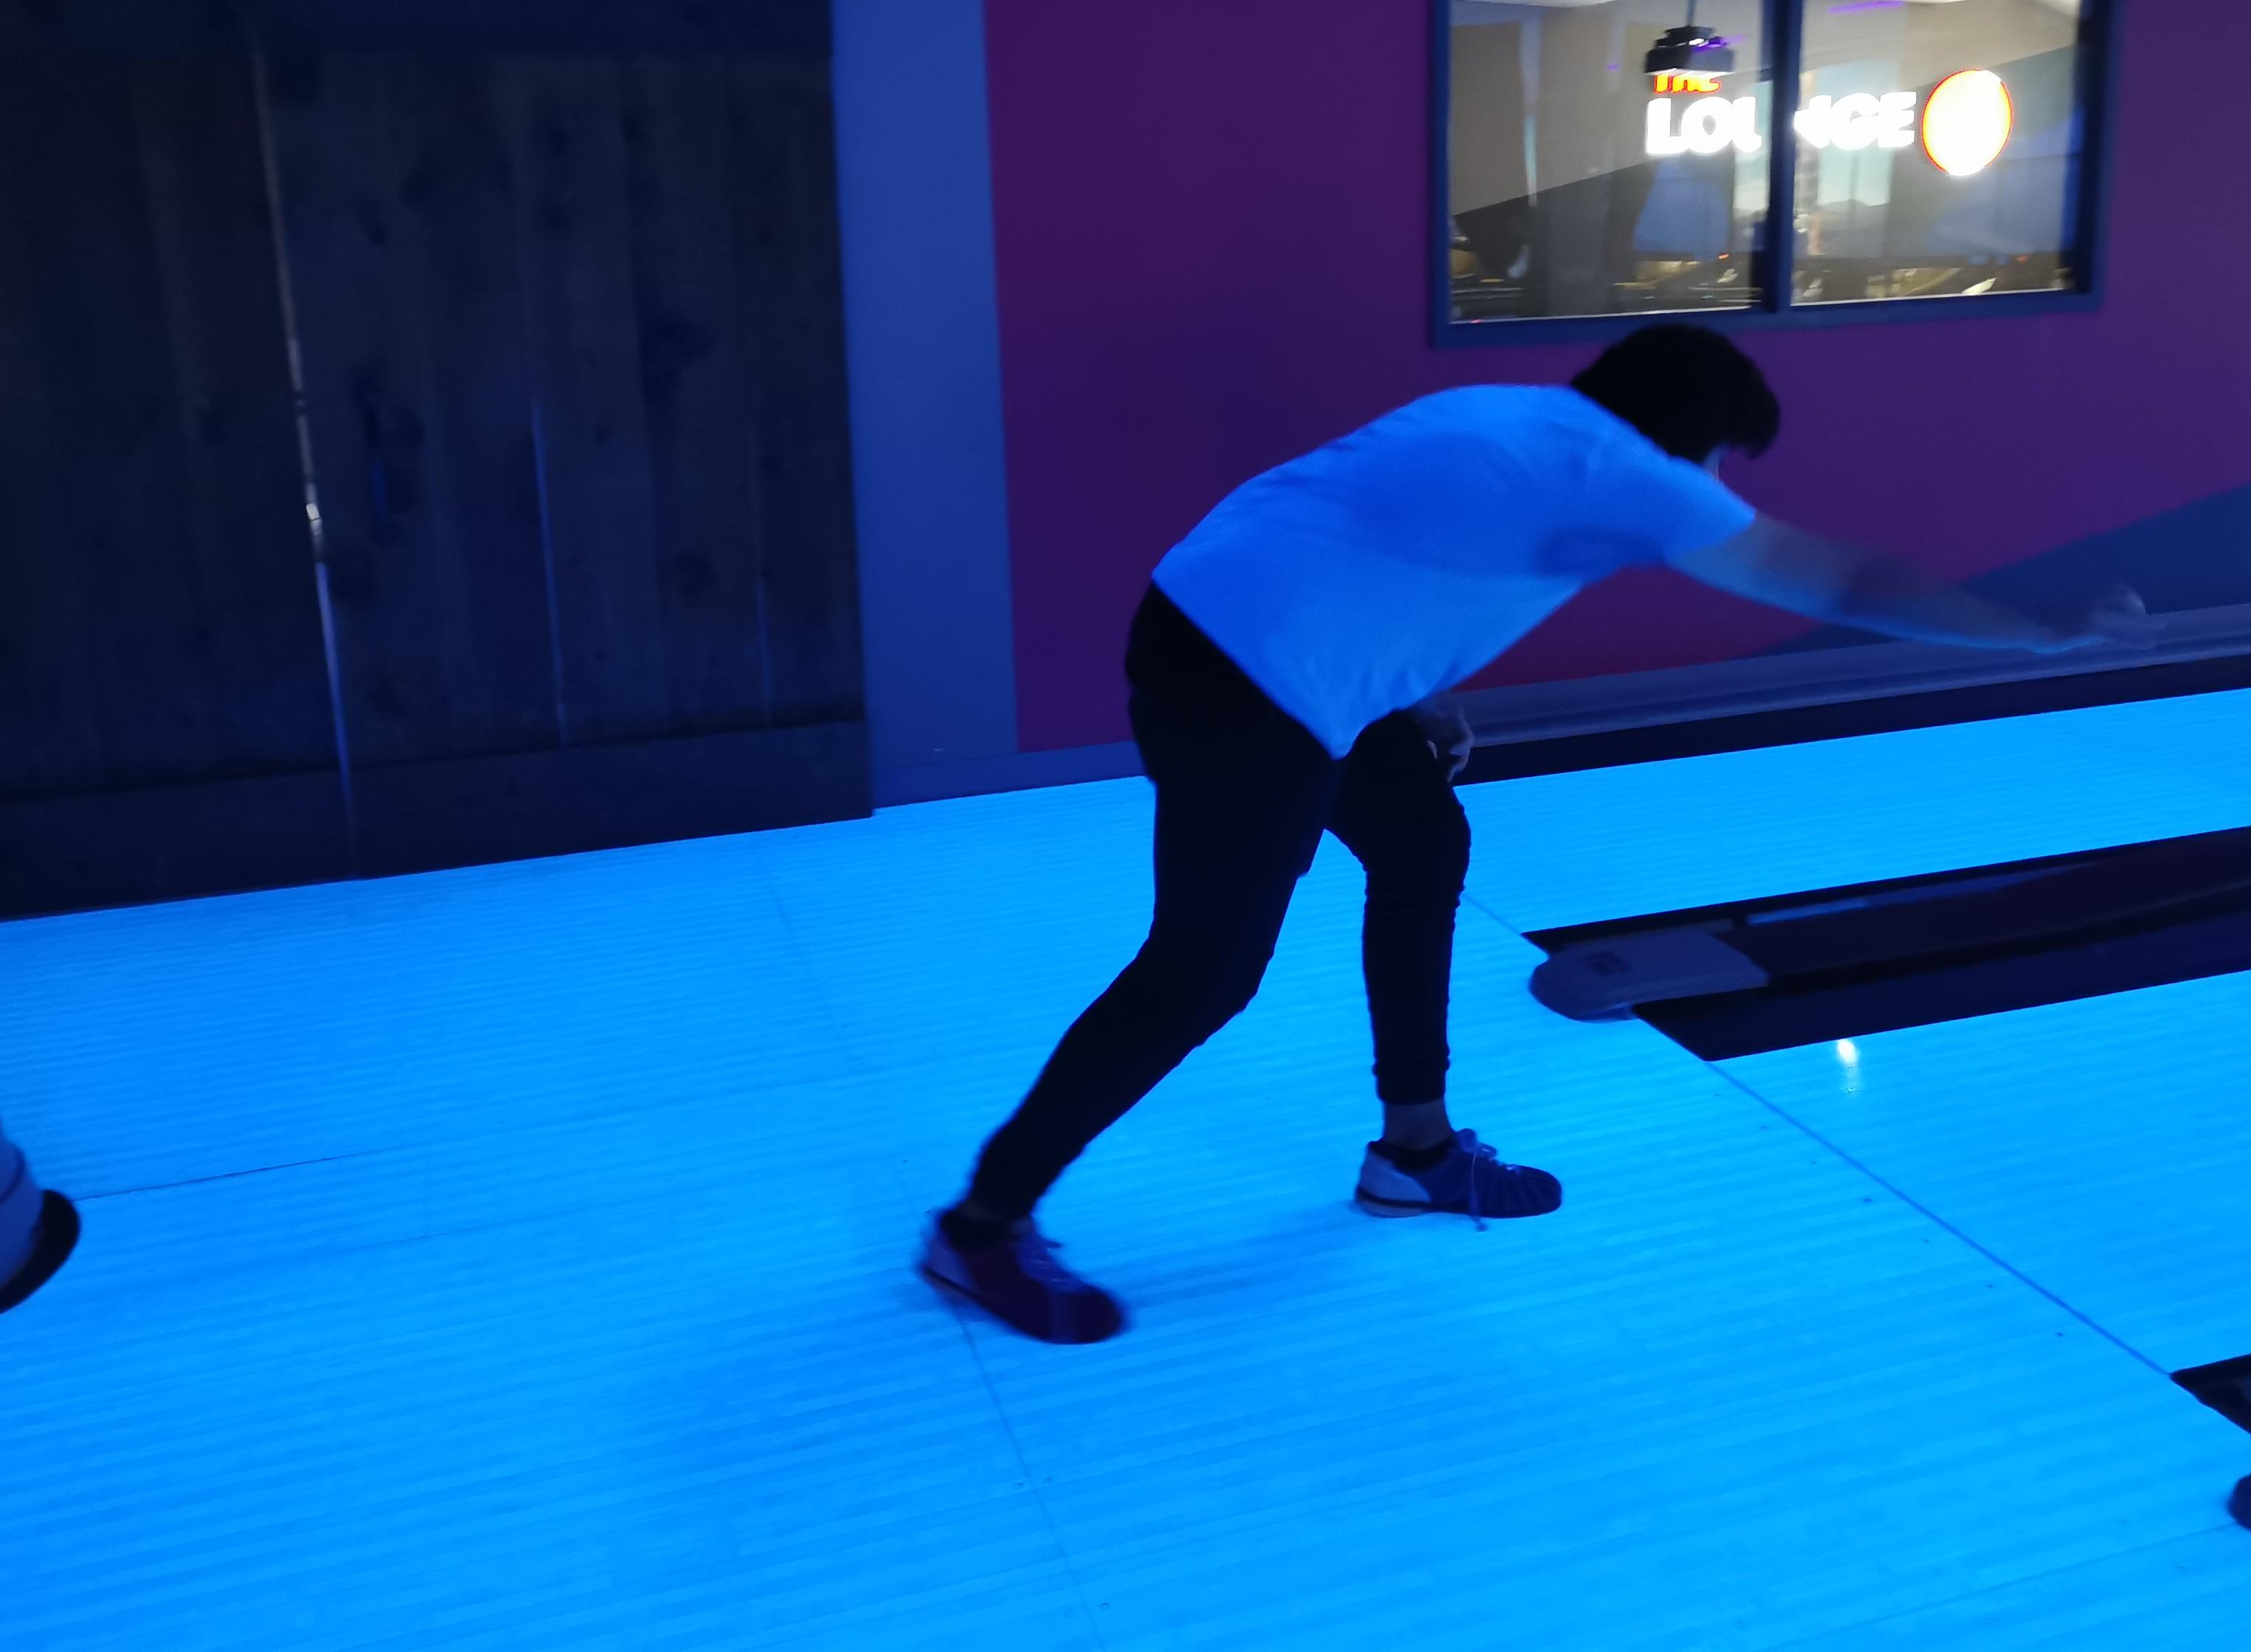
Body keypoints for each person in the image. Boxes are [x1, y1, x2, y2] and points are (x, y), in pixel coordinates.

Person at [918, 323, 2152, 1343]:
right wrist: (2042, 631)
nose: (1718, 496)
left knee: (1421, 845)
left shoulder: (1499, 414)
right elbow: (1843, 581)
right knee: (1203, 972)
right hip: (1249, 687)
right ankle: (980, 1229)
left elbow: (1374, 539)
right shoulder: (1633, 475)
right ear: (1689, 444)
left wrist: (1404, 687)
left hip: (1228, 627)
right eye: (1721, 467)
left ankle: (1414, 1152)